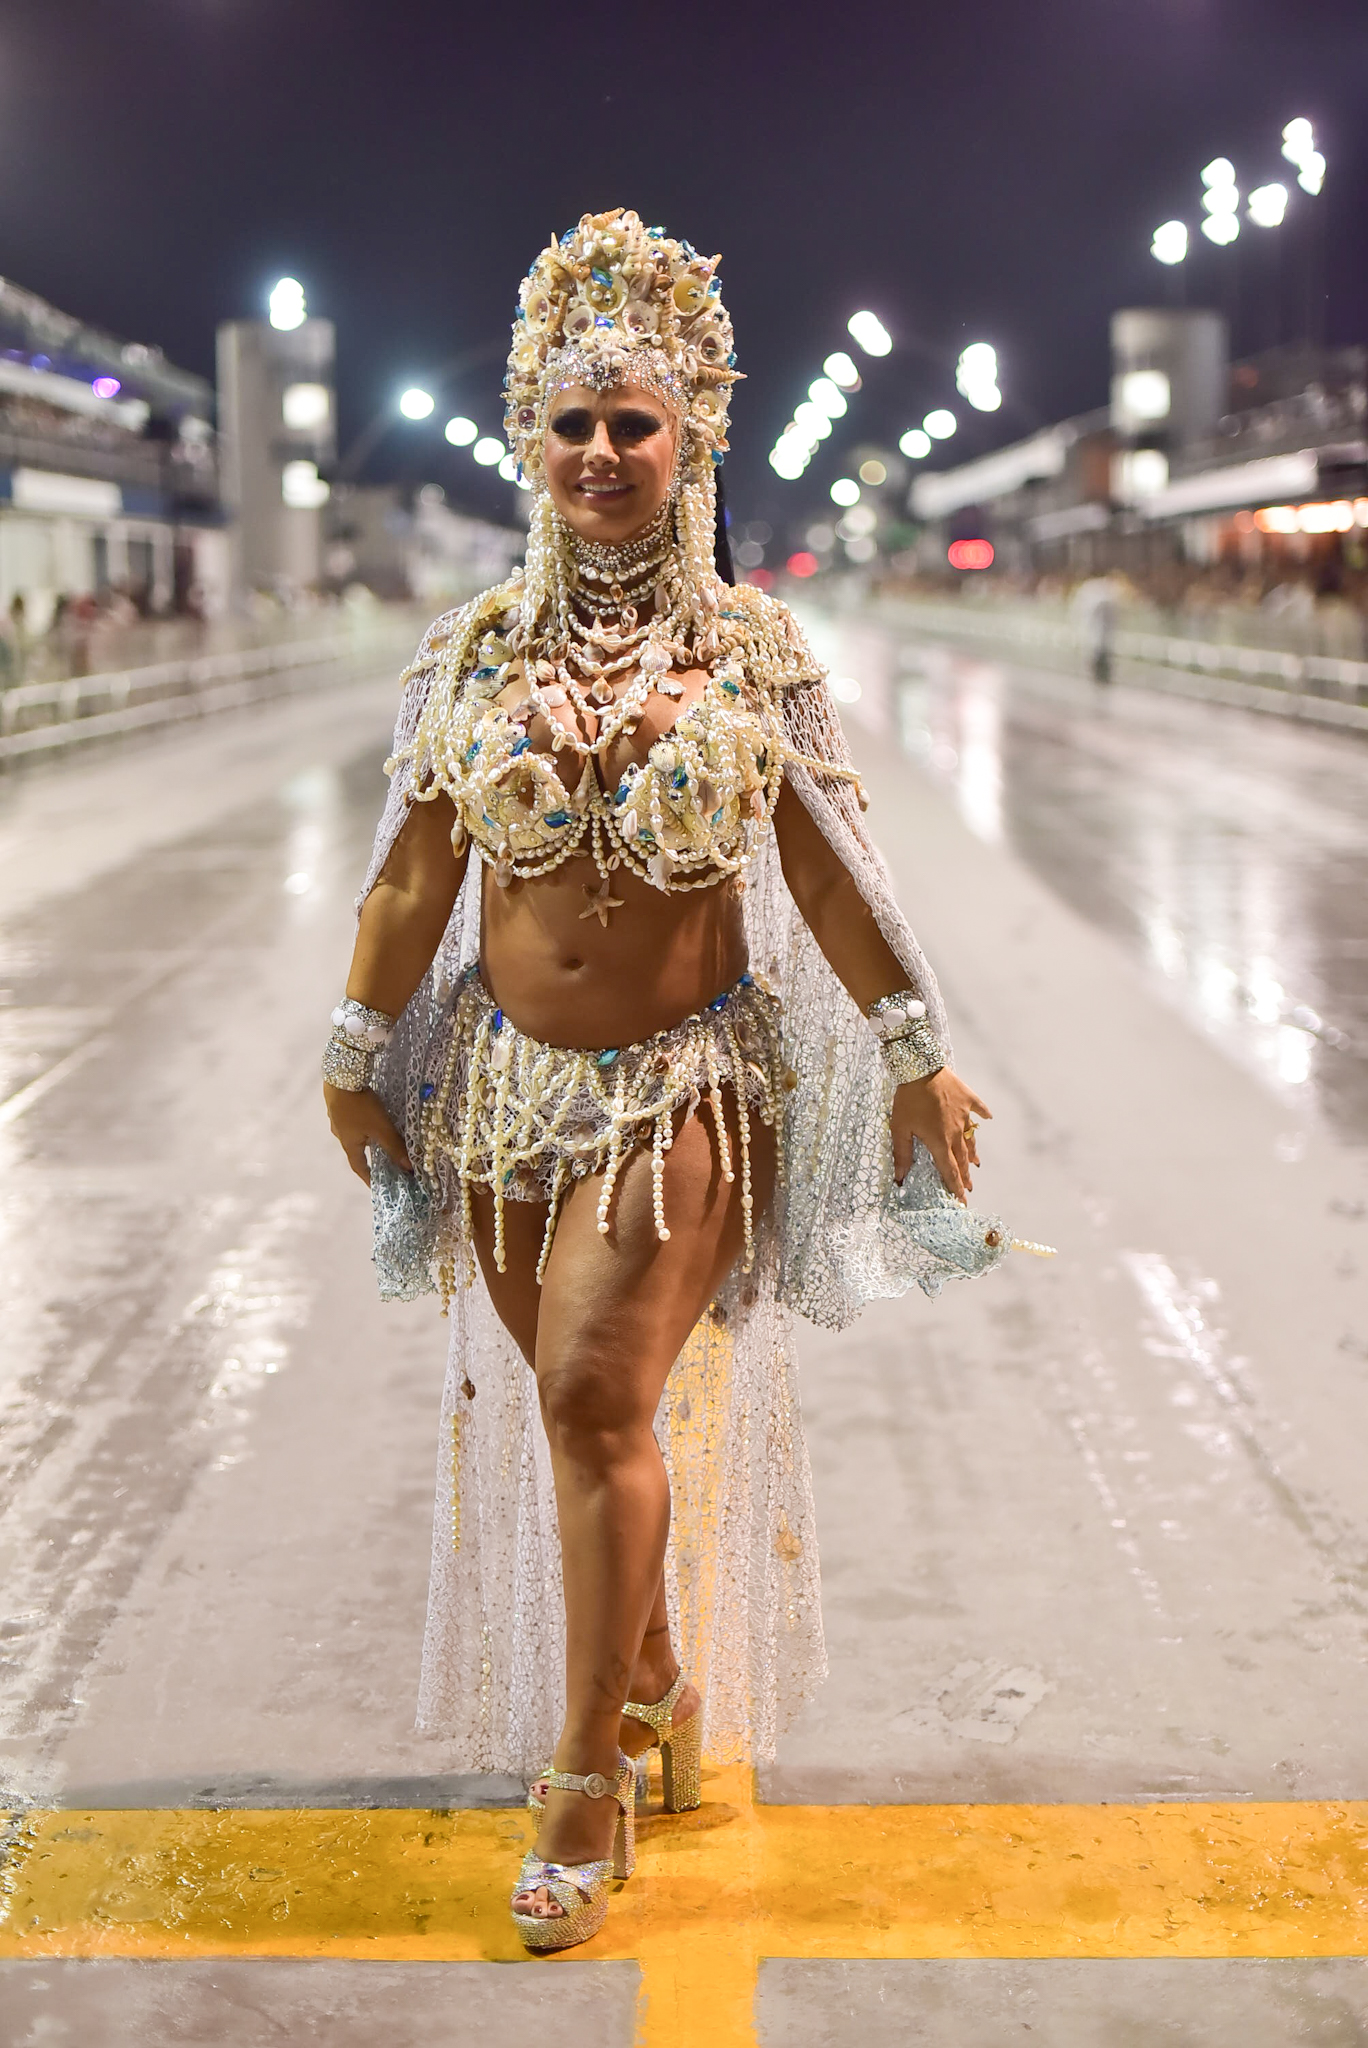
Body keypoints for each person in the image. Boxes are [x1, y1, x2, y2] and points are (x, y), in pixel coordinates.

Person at [323, 209, 1001, 1952]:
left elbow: (836, 869)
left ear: (694, 438)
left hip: (679, 1098)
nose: (602, 454)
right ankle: (661, 1687)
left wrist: (917, 1048)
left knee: (590, 1400)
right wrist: (352, 1044)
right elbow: (412, 873)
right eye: (571, 424)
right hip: (494, 1095)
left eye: (635, 423)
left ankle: (577, 1778)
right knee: (581, 1412)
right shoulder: (473, 650)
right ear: (524, 442)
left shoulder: (751, 652)